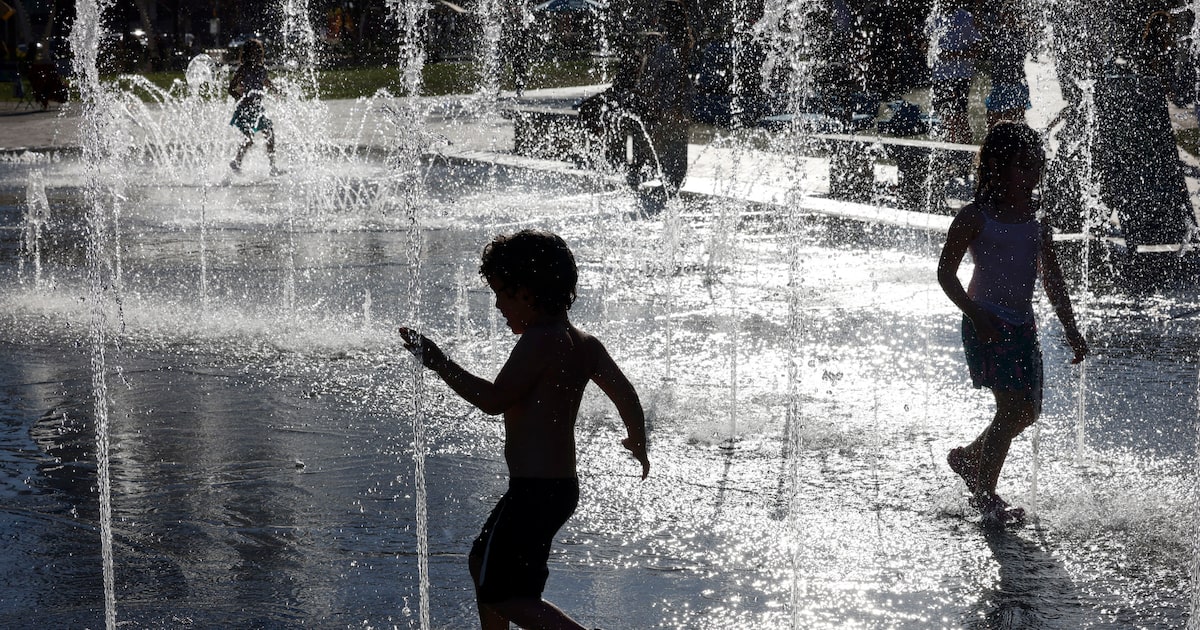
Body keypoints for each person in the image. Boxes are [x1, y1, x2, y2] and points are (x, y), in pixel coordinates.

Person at [398, 230, 650, 630]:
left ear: (529, 292)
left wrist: (438, 362)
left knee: (505, 593)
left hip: (533, 491)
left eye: (503, 293)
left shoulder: (539, 341)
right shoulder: (585, 343)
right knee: (483, 562)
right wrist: (637, 439)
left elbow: (495, 400)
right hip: (556, 489)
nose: (498, 305)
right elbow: (625, 392)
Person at [937, 122, 1088, 525]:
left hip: (1023, 325)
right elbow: (946, 275)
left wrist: (1071, 328)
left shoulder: (1036, 224)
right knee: (1009, 409)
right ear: (997, 168)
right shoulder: (976, 217)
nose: (1032, 175)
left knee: (1028, 410)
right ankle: (986, 496)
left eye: (1036, 165)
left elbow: (1052, 280)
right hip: (986, 321)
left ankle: (970, 459)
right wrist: (974, 313)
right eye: (1023, 166)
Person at [927, 1, 980, 144]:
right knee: (943, 117)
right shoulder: (934, 16)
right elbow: (926, 45)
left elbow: (977, 49)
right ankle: (950, 153)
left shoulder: (966, 17)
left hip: (959, 76)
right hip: (939, 76)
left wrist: (952, 55)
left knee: (960, 116)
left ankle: (967, 153)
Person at [228, 39, 279, 175]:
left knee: (269, 134)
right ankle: (236, 162)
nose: (258, 54)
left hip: (258, 108)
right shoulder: (243, 69)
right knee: (249, 138)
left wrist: (277, 91)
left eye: (260, 51)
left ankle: (272, 166)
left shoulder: (261, 69)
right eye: (256, 51)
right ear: (248, 53)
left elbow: (266, 82)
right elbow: (231, 88)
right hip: (246, 109)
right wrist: (240, 98)